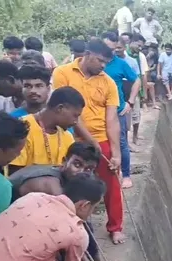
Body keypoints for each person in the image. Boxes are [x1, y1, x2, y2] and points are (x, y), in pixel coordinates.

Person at [9, 142, 112, 261]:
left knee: (87, 231)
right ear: (65, 162)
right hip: (16, 225)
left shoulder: (71, 182)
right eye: (77, 164)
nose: (81, 172)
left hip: (40, 217)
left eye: (88, 169)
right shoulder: (52, 185)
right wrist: (79, 255)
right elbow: (64, 225)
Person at [52, 39, 127, 245]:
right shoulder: (62, 73)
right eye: (100, 60)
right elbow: (71, 115)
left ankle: (115, 227)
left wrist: (116, 152)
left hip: (101, 138)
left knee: (111, 183)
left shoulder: (108, 82)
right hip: (69, 138)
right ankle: (71, 228)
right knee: (69, 183)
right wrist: (90, 140)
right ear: (86, 54)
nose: (103, 66)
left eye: (106, 63)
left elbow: (111, 119)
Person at [7, 86, 84, 176]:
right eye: (75, 115)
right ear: (60, 108)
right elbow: (14, 174)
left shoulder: (67, 136)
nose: (76, 122)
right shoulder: (22, 127)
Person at [102, 31, 141, 189]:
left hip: (117, 110)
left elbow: (136, 80)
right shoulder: (95, 64)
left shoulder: (121, 63)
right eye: (106, 48)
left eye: (113, 49)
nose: (109, 52)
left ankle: (125, 175)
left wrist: (130, 102)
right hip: (97, 110)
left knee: (121, 142)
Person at [125, 33, 149, 146]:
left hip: (136, 90)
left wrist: (144, 92)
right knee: (124, 118)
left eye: (141, 47)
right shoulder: (123, 56)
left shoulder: (140, 57)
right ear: (131, 42)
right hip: (124, 91)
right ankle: (126, 141)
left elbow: (143, 75)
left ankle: (135, 137)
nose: (140, 49)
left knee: (136, 115)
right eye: (138, 46)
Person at [143, 42, 160, 109]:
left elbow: (154, 66)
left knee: (152, 78)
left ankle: (154, 103)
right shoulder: (143, 55)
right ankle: (145, 102)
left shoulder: (155, 55)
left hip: (149, 70)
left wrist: (149, 70)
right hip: (142, 73)